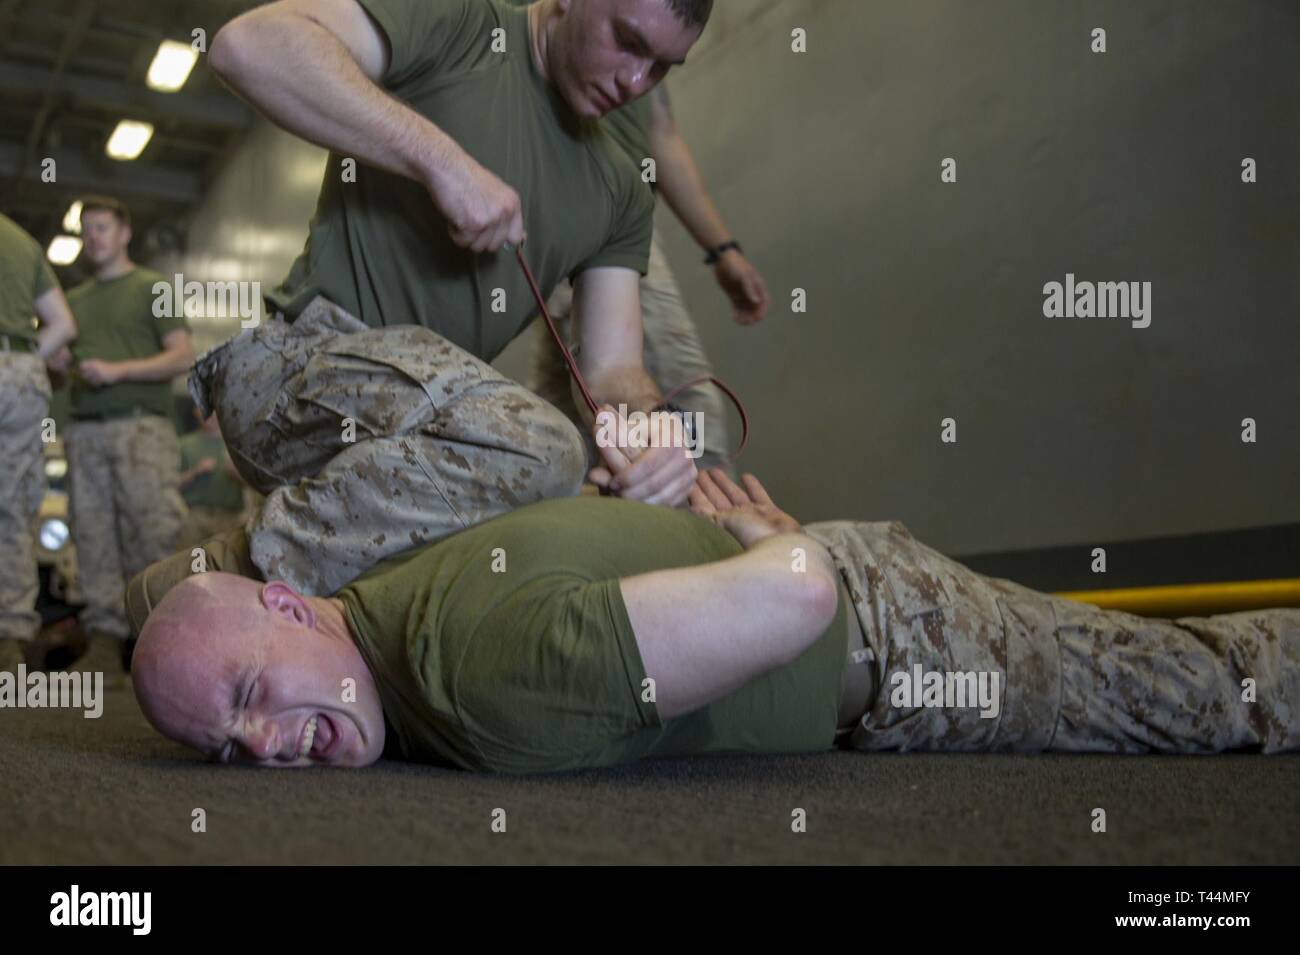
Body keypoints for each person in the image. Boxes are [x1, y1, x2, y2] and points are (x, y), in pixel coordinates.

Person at [132, 461, 1300, 772]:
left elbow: (793, 595)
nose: (264, 744)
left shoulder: (475, 674)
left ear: (289, 602)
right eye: (228, 752)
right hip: (858, 597)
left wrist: (770, 551)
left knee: (1206, 695)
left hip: (900, 642)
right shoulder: (386, 606)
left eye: (248, 696)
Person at [196, 0, 715, 597]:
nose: (634, 82)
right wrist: (443, 164)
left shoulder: (622, 190)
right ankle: (242, 571)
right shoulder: (462, 25)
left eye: (661, 69)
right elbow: (248, 46)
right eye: (627, 41)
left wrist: (651, 439)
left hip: (422, 439)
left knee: (594, 504)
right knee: (547, 454)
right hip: (295, 376)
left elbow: (615, 370)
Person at [525, 76, 771, 473]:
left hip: (621, 229)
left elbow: (661, 131)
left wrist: (722, 249)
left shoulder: (653, 42)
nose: (637, 73)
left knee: (561, 431)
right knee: (682, 419)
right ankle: (707, 524)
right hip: (588, 210)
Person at [61, 196, 193, 675]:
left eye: (101, 227)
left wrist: (116, 371)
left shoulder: (152, 288)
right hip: (85, 431)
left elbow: (181, 356)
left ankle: (154, 643)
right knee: (92, 533)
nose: (92, 237)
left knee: (151, 530)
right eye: (86, 229)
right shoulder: (72, 302)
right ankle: (102, 641)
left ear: (124, 233)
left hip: (141, 428)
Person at [0, 213, 78, 675]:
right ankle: (9, 641)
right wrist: (24, 358)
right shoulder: (24, 238)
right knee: (11, 510)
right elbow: (63, 325)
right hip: (20, 376)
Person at [178, 409, 249, 548]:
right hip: (196, 518)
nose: (211, 416)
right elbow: (172, 485)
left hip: (230, 518)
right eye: (205, 410)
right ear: (196, 412)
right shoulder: (184, 444)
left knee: (226, 563)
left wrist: (237, 473)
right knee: (192, 562)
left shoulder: (236, 445)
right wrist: (195, 472)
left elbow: (254, 485)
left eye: (215, 411)